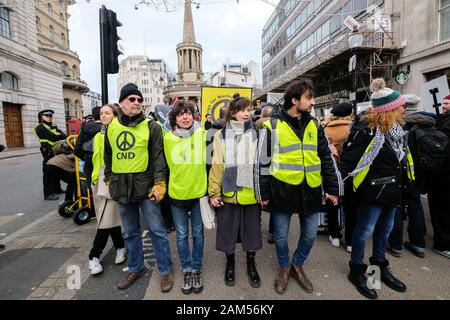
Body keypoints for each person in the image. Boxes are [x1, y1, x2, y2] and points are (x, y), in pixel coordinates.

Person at [257, 80, 340, 295]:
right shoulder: (272, 126)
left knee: (310, 235)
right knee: (281, 237)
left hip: (310, 190)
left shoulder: (315, 125)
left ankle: (297, 264)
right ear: (295, 100)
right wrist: (263, 194)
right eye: (309, 98)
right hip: (282, 191)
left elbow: (326, 159)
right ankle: (284, 267)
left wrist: (332, 188)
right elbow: (262, 164)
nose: (312, 102)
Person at [339, 78, 412, 299]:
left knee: (385, 231)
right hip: (372, 193)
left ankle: (377, 270)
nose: (404, 109)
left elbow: (402, 161)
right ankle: (356, 270)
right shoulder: (366, 131)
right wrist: (336, 190)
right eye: (400, 106)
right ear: (389, 110)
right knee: (364, 232)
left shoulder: (397, 132)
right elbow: (348, 163)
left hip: (393, 192)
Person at [104, 83, 174, 291]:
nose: (137, 103)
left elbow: (158, 158)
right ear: (122, 102)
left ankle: (166, 270)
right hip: (121, 188)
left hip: (146, 188)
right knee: (130, 232)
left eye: (139, 99)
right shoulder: (111, 127)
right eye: (132, 99)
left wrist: (160, 183)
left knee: (157, 230)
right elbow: (108, 156)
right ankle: (135, 267)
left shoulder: (151, 126)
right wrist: (109, 177)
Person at [209, 94, 262, 288]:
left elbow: (260, 166)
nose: (246, 113)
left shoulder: (257, 133)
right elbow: (217, 164)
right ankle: (230, 264)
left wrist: (262, 194)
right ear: (232, 113)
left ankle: (251, 264)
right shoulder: (220, 135)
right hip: (228, 192)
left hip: (250, 193)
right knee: (227, 231)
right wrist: (214, 193)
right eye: (241, 110)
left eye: (248, 110)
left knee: (252, 232)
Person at [164, 100, 206, 294]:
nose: (185, 116)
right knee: (181, 235)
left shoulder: (202, 134)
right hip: (177, 194)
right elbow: (165, 167)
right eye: (181, 114)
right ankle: (187, 269)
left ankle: (196, 268)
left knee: (198, 234)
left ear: (193, 115)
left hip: (198, 193)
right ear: (175, 118)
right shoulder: (167, 139)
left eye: (188, 113)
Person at [88, 104, 126, 275]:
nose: (103, 115)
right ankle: (120, 247)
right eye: (102, 113)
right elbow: (95, 158)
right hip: (98, 180)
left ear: (115, 116)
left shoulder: (120, 133)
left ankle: (94, 256)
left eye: (107, 113)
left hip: (113, 179)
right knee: (110, 217)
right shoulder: (97, 136)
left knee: (105, 218)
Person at [322, 102, 353, 248]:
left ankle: (334, 234)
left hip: (331, 170)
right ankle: (350, 241)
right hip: (351, 171)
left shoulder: (324, 128)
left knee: (332, 201)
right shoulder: (352, 128)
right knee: (351, 204)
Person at [427, 94, 450, 259]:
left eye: (447, 103)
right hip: (441, 173)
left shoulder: (445, 124)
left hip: (444, 173)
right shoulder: (441, 121)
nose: (444, 105)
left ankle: (443, 243)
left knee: (441, 208)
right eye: (443, 102)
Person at [34, 109, 67, 200]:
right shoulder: (39, 127)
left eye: (50, 116)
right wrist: (57, 135)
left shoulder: (53, 126)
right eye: (47, 116)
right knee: (48, 171)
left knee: (56, 169)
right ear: (42, 117)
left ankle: (57, 189)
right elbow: (52, 137)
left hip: (56, 150)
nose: (49, 118)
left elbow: (64, 136)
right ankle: (48, 194)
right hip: (48, 151)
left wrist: (57, 135)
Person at [74, 106, 102, 186]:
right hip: (104, 163)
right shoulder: (107, 128)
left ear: (93, 117)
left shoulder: (85, 128)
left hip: (89, 160)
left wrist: (86, 157)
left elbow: (77, 150)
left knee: (92, 186)